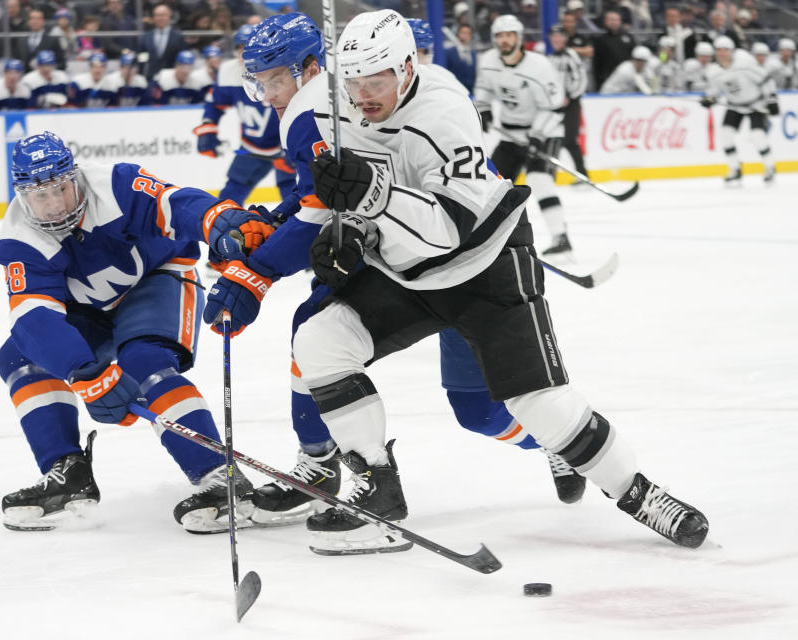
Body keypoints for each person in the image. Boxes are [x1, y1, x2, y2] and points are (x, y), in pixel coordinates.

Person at [284, 10, 709, 556]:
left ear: (408, 67)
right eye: (354, 81)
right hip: (407, 275)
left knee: (537, 405)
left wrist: (377, 198)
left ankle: (638, 492)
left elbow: (446, 232)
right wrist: (349, 238)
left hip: (485, 265)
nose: (363, 94)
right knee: (320, 338)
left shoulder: (444, 109)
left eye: (377, 80)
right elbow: (358, 203)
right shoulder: (338, 109)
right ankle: (377, 486)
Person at [205, 12, 587, 529]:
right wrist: (272, 222)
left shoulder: (317, 110)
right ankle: (324, 464)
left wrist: (256, 272)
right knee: (461, 406)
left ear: (310, 67)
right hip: (412, 257)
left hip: (448, 260)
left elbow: (323, 216)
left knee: (326, 337)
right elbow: (316, 198)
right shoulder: (328, 101)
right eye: (260, 81)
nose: (267, 92)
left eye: (274, 79)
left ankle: (322, 467)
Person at [0, 131, 275, 532]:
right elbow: (32, 319)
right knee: (21, 357)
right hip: (89, 309)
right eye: (41, 197)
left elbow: (175, 203)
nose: (54, 205)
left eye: (60, 190)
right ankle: (66, 472)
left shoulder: (114, 184)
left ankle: (219, 476)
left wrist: (216, 220)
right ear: (24, 197)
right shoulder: (19, 238)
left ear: (74, 178)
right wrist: (85, 373)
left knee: (144, 360)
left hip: (158, 278)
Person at [475, 15, 574, 257]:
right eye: (500, 36)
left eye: (509, 35)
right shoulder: (488, 61)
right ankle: (493, 242)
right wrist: (485, 110)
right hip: (510, 134)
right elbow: (484, 90)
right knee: (493, 185)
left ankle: (561, 238)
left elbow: (554, 108)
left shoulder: (539, 66)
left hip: (545, 130)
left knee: (539, 178)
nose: (505, 40)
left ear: (519, 39)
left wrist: (537, 136)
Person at [192, 24, 295, 209]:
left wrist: (294, 144)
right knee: (230, 195)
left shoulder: (281, 68)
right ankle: (224, 227)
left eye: (250, 47)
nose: (245, 53)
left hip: (284, 145)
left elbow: (298, 106)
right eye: (241, 48)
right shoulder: (228, 71)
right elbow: (215, 103)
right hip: (252, 145)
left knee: (292, 192)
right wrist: (208, 127)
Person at [701, 36, 777, 185]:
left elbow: (765, 79)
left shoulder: (745, 64)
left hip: (756, 104)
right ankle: (735, 168)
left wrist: (772, 99)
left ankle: (769, 167)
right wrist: (709, 99)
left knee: (757, 136)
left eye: (725, 50)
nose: (722, 53)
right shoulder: (714, 71)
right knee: (725, 135)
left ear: (732, 51)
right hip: (734, 106)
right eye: (719, 50)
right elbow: (713, 91)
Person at [547, 24, 589, 178]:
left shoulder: (571, 55)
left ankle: (582, 173)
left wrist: (570, 97)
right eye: (553, 36)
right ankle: (550, 175)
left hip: (571, 104)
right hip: (554, 106)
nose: (556, 39)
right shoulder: (550, 58)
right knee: (553, 139)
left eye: (559, 36)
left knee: (570, 140)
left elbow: (581, 79)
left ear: (565, 38)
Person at [592, 9, 636, 91]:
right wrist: (598, 84)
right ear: (605, 21)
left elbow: (634, 58)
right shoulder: (600, 40)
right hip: (608, 80)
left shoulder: (629, 37)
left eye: (616, 20)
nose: (614, 22)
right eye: (611, 20)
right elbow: (596, 65)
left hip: (627, 79)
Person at [141, 3, 185, 79]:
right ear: (153, 17)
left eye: (163, 15)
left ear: (169, 16)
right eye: (157, 15)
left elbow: (181, 58)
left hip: (171, 79)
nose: (160, 18)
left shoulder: (178, 37)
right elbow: (142, 57)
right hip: (150, 78)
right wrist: (141, 73)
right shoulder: (146, 37)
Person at [443, 22, 477, 93]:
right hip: (454, 91)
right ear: (458, 34)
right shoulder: (449, 52)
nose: (466, 35)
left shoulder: (473, 54)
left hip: (470, 93)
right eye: (463, 32)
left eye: (468, 33)